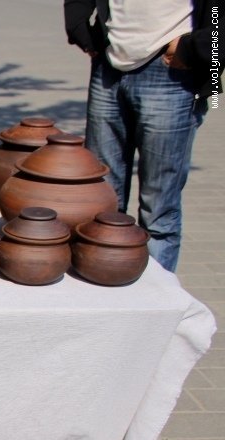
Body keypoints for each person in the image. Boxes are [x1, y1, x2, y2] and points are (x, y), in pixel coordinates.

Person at [64, 1, 216, 272]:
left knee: (159, 209)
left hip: (172, 67)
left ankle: (158, 293)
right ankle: (106, 280)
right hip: (109, 61)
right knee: (102, 199)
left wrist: (198, 47)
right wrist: (77, 24)